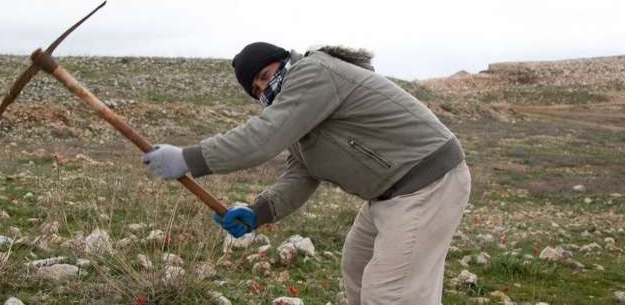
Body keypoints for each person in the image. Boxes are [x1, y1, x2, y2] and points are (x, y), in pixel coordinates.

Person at [142, 42, 471, 305]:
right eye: (256, 88)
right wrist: (258, 212)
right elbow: (301, 175)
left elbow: (262, 138)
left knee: (390, 295)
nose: (263, 86)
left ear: (282, 59)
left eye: (265, 74)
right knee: (357, 269)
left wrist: (189, 159)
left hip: (426, 183)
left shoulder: (313, 73)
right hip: (389, 196)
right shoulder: (298, 113)